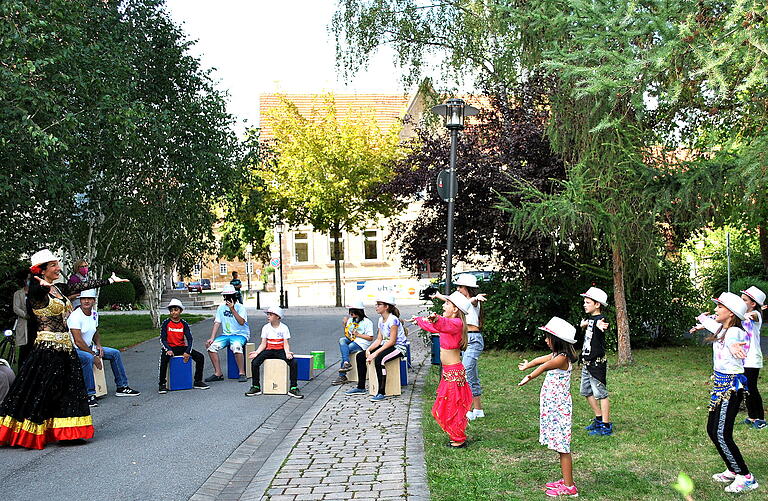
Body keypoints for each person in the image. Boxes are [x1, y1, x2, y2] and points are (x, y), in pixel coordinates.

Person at [0, 249, 128, 449]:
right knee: (38, 389)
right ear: (41, 271)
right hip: (46, 348)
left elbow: (81, 285)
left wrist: (110, 281)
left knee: (69, 389)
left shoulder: (58, 288)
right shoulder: (36, 292)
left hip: (65, 347)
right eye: (53, 266)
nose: (58, 268)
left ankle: (69, 432)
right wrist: (38, 283)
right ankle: (25, 431)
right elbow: (35, 293)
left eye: (57, 264)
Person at [697, 292, 758, 493]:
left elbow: (735, 340)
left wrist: (734, 347)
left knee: (722, 433)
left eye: (720, 307)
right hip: (720, 388)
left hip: (731, 388)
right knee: (712, 429)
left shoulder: (734, 333)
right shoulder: (724, 329)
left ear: (731, 313)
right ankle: (732, 469)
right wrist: (702, 319)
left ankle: (746, 476)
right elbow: (711, 324)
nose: (716, 309)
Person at [518, 317, 580, 498]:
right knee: (560, 446)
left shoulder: (561, 359)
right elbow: (539, 360)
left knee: (563, 447)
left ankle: (570, 487)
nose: (545, 340)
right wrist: (527, 365)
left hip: (558, 408)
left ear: (558, 340)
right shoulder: (557, 355)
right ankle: (566, 480)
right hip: (554, 407)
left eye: (548, 337)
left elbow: (544, 367)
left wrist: (528, 377)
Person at [409, 291, 472, 447]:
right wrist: (418, 320)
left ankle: (458, 439)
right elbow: (433, 326)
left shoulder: (456, 323)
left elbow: (442, 323)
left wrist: (437, 319)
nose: (443, 305)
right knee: (448, 404)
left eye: (447, 303)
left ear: (455, 309)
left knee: (453, 406)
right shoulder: (448, 324)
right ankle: (455, 435)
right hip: (449, 372)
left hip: (453, 372)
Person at [69, 289, 141, 407]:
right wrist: (93, 355)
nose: (86, 301)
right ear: (80, 301)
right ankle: (90, 394)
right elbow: (78, 341)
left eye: (89, 299)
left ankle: (122, 387)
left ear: (93, 301)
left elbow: (95, 331)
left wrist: (98, 345)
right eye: (83, 299)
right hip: (75, 349)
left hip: (89, 347)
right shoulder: (75, 316)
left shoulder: (94, 314)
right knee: (88, 358)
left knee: (115, 353)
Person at [433, 273, 487, 420]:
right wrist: (438, 296)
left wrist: (475, 298)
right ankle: (478, 409)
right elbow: (451, 301)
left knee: (463, 372)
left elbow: (473, 302)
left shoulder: (473, 302)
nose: (457, 289)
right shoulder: (462, 302)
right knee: (472, 375)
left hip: (473, 339)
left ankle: (466, 409)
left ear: (468, 288)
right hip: (466, 338)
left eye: (460, 287)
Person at [346, 293, 408, 402]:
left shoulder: (393, 320)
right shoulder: (380, 320)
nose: (376, 307)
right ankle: (360, 387)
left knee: (379, 360)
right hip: (386, 344)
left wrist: (375, 353)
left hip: (398, 347)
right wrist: (369, 350)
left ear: (386, 307)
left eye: (379, 305)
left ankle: (381, 392)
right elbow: (379, 339)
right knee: (361, 355)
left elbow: (392, 341)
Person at [245, 305, 303, 399]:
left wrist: (287, 352)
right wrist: (257, 352)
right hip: (269, 350)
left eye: (271, 314)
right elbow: (263, 344)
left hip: (280, 350)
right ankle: (256, 387)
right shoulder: (266, 328)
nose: (268, 316)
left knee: (293, 362)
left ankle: (293, 387)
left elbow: (286, 343)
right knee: (255, 362)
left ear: (278, 317)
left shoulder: (284, 328)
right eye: (268, 314)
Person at [578, 287, 613, 436]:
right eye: (584, 302)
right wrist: (584, 325)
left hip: (596, 364)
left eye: (588, 302)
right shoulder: (591, 319)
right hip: (587, 363)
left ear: (597, 304)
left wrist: (600, 326)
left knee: (601, 394)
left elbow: (602, 324)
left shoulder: (600, 319)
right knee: (586, 391)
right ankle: (598, 418)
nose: (584, 305)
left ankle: (605, 425)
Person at [158, 298, 209, 393]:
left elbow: (190, 339)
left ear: (180, 311)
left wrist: (187, 351)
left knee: (200, 357)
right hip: (169, 348)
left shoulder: (184, 324)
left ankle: (198, 381)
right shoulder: (166, 323)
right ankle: (162, 384)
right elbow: (163, 339)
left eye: (176, 310)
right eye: (171, 310)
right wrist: (168, 349)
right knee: (164, 360)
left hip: (181, 347)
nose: (174, 312)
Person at [205, 285, 250, 382]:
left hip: (240, 334)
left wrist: (232, 309)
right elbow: (217, 322)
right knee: (210, 346)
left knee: (236, 346)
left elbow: (241, 322)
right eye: (226, 296)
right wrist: (212, 337)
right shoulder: (221, 308)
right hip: (226, 335)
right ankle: (218, 373)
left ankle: (241, 373)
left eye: (230, 296)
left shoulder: (240, 307)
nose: (228, 299)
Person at [332, 299, 375, 385]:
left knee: (348, 348)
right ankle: (346, 363)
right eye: (350, 312)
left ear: (359, 311)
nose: (351, 314)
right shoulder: (351, 320)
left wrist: (358, 335)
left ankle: (342, 375)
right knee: (342, 340)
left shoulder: (367, 322)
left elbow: (370, 338)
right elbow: (348, 334)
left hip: (362, 342)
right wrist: (344, 325)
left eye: (353, 312)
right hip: (353, 339)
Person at [740, 286, 766, 429]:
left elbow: (755, 316)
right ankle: (751, 416)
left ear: (753, 304)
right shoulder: (740, 314)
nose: (741, 302)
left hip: (752, 359)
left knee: (752, 388)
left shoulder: (756, 315)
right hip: (743, 358)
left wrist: (750, 315)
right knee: (746, 388)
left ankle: (760, 419)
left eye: (744, 300)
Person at [12, 276, 31, 367]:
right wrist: (25, 315)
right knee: (24, 350)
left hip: (34, 325)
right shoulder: (18, 294)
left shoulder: (35, 293)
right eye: (27, 279)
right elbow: (16, 308)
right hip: (23, 323)